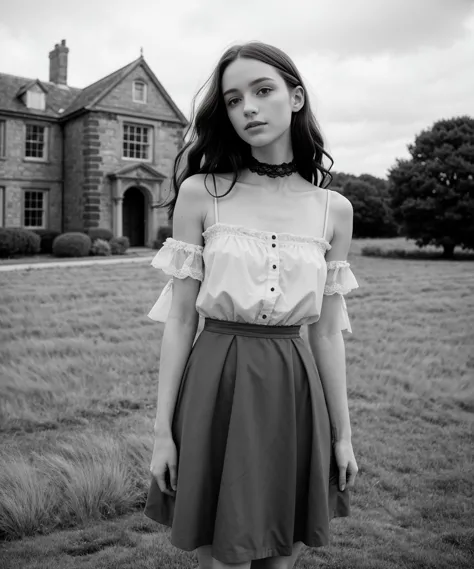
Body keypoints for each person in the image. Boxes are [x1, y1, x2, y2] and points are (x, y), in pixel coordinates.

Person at [144, 41, 359, 569]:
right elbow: (179, 319)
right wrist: (162, 433)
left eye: (262, 91)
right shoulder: (202, 194)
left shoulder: (335, 210)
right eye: (234, 99)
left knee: (281, 552)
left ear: (296, 97)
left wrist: (343, 434)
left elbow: (327, 334)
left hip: (293, 387)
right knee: (226, 557)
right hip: (216, 381)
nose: (248, 109)